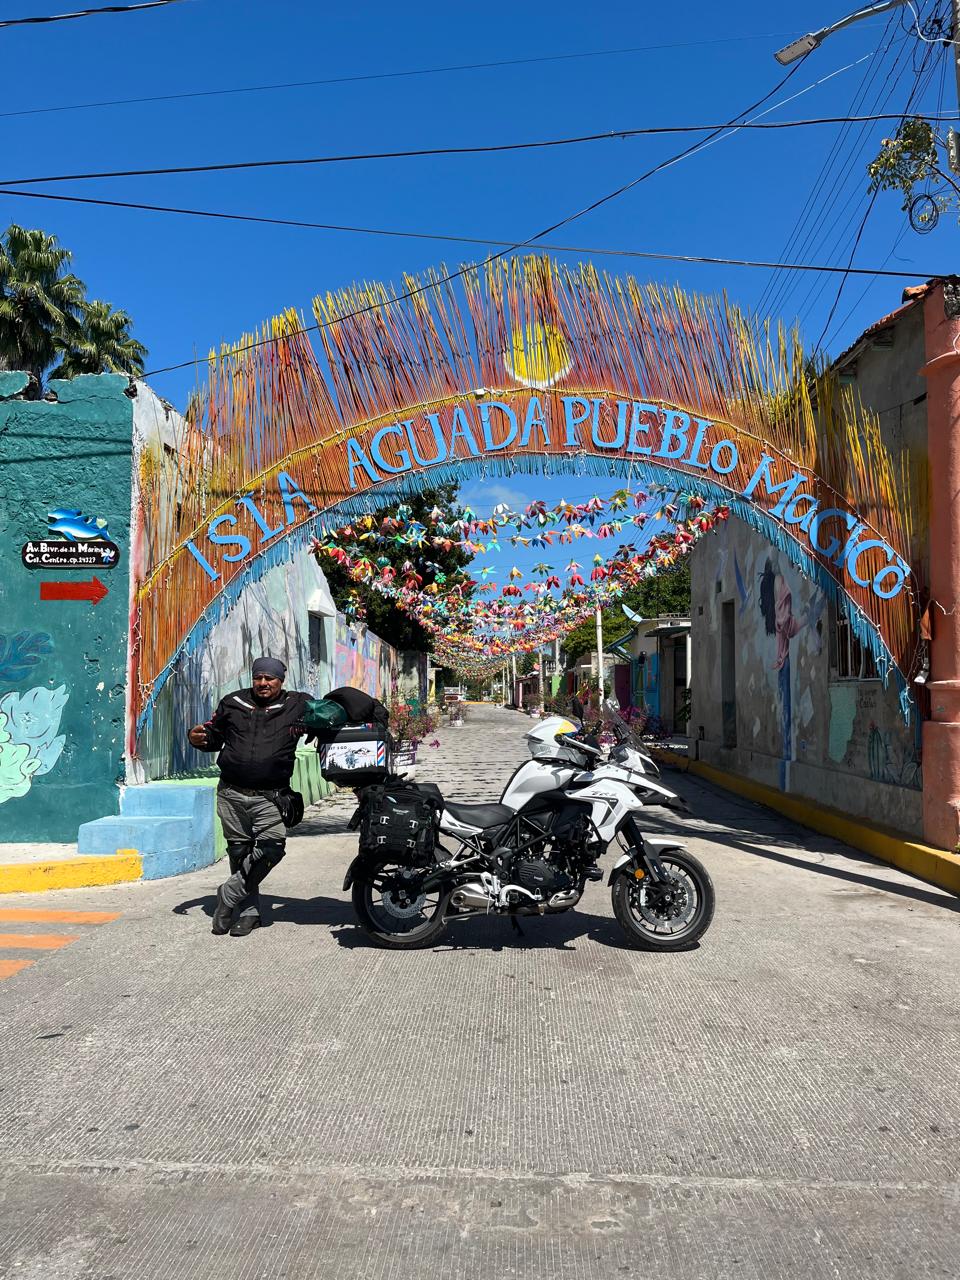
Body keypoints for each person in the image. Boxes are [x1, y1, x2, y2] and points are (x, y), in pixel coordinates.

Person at [187, 656, 314, 938]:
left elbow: (328, 717)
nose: (263, 683)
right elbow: (214, 735)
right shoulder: (233, 702)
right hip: (231, 793)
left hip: (271, 796)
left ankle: (228, 895)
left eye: (270, 678)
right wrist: (198, 737)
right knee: (239, 853)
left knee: (271, 848)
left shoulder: (298, 704)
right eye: (258, 677)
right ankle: (249, 913)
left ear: (281, 680)